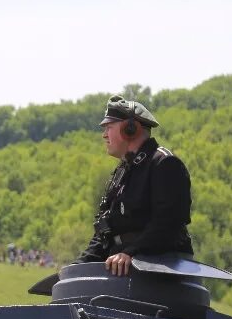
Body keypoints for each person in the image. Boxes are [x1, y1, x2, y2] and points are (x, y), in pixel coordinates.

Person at [78, 95, 193, 276]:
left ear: (129, 129)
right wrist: (76, 268)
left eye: (109, 127)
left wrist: (131, 252)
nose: (104, 134)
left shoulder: (164, 163)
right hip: (123, 268)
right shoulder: (122, 172)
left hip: (160, 269)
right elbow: (104, 232)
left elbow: (168, 224)